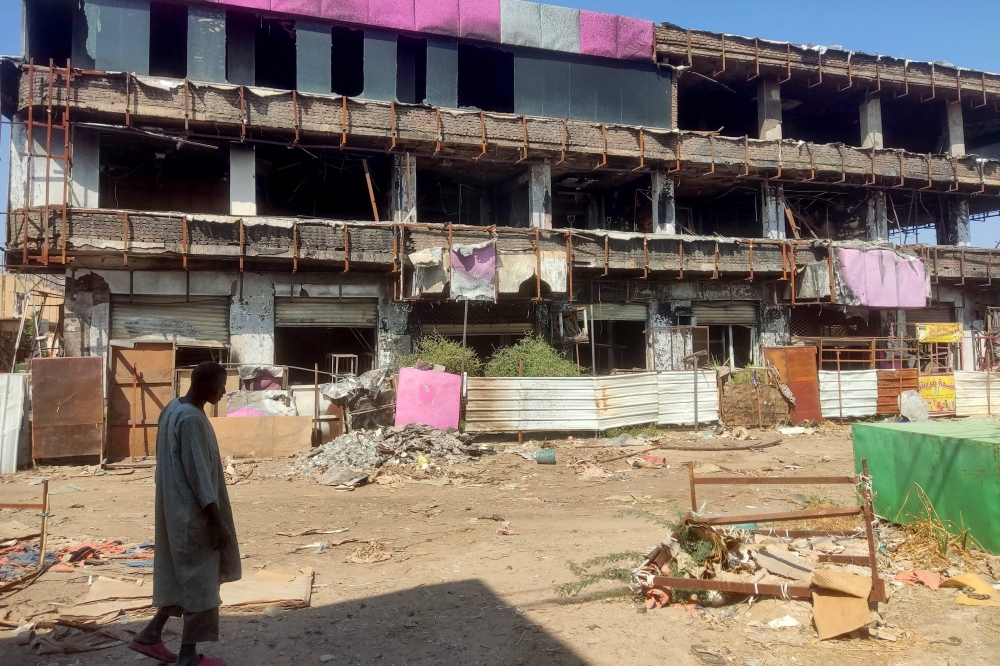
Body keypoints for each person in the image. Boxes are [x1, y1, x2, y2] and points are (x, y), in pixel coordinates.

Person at [129, 361, 241, 666]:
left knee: (183, 579)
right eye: (220, 385)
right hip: (194, 515)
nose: (223, 391)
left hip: (175, 510)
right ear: (205, 385)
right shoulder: (190, 419)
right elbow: (200, 477)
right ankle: (189, 656)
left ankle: (150, 634)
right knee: (200, 585)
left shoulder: (173, 409)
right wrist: (216, 522)